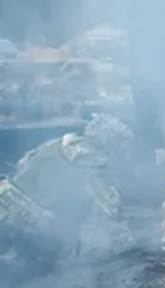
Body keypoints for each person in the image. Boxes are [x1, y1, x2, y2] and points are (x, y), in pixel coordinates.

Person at [0, 112, 134, 271]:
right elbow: (108, 209)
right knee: (62, 246)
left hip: (4, 193)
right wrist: (126, 245)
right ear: (115, 144)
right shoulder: (93, 161)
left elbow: (23, 165)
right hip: (30, 217)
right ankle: (32, 256)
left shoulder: (60, 142)